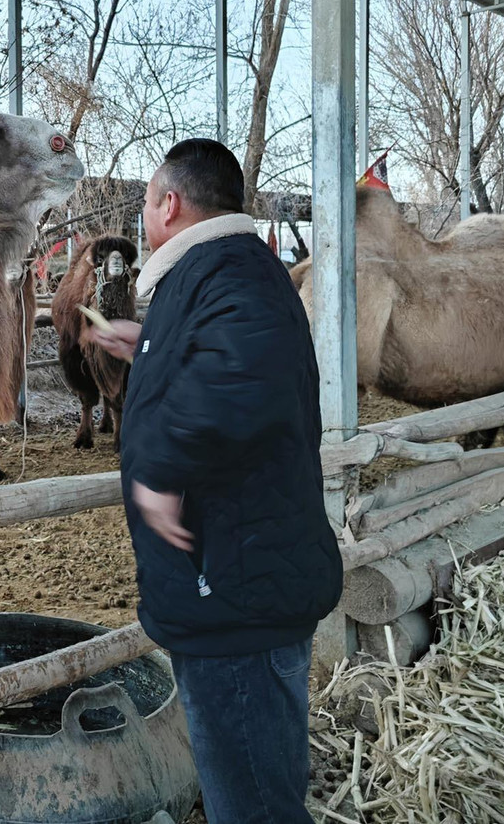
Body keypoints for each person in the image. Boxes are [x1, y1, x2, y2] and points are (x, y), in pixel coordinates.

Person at [91, 139, 342, 823]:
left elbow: (239, 380)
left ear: (169, 204)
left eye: (147, 203)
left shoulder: (226, 274)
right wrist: (145, 346)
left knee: (252, 806)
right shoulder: (228, 271)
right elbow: (225, 359)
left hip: (235, 601)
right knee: (254, 785)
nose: (145, 216)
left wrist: (161, 469)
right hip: (236, 582)